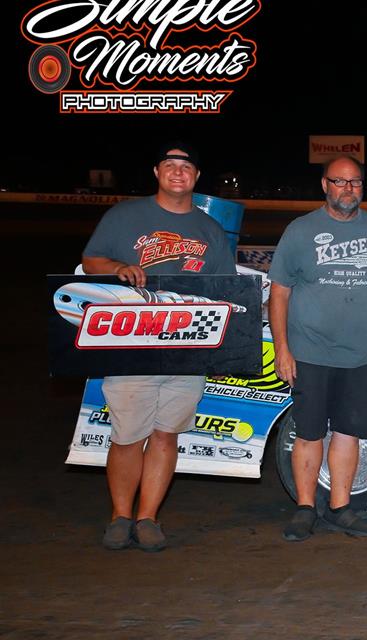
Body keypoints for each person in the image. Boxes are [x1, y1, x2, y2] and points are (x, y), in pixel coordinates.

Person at [82, 142, 236, 551]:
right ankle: (120, 516)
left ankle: (148, 517)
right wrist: (118, 268)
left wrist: (219, 351)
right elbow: (90, 260)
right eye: (169, 165)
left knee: (167, 435)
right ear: (156, 172)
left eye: (186, 166)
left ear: (196, 177)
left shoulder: (211, 231)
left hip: (187, 349)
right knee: (128, 436)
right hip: (132, 344)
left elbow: (224, 293)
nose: (178, 172)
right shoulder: (126, 215)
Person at [268, 155, 367, 541]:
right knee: (309, 433)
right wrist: (282, 348)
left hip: (357, 354)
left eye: (356, 182)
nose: (348, 189)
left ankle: (340, 509)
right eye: (340, 182)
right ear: (324, 185)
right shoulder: (301, 230)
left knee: (350, 432)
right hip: (309, 352)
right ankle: (304, 508)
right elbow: (278, 294)